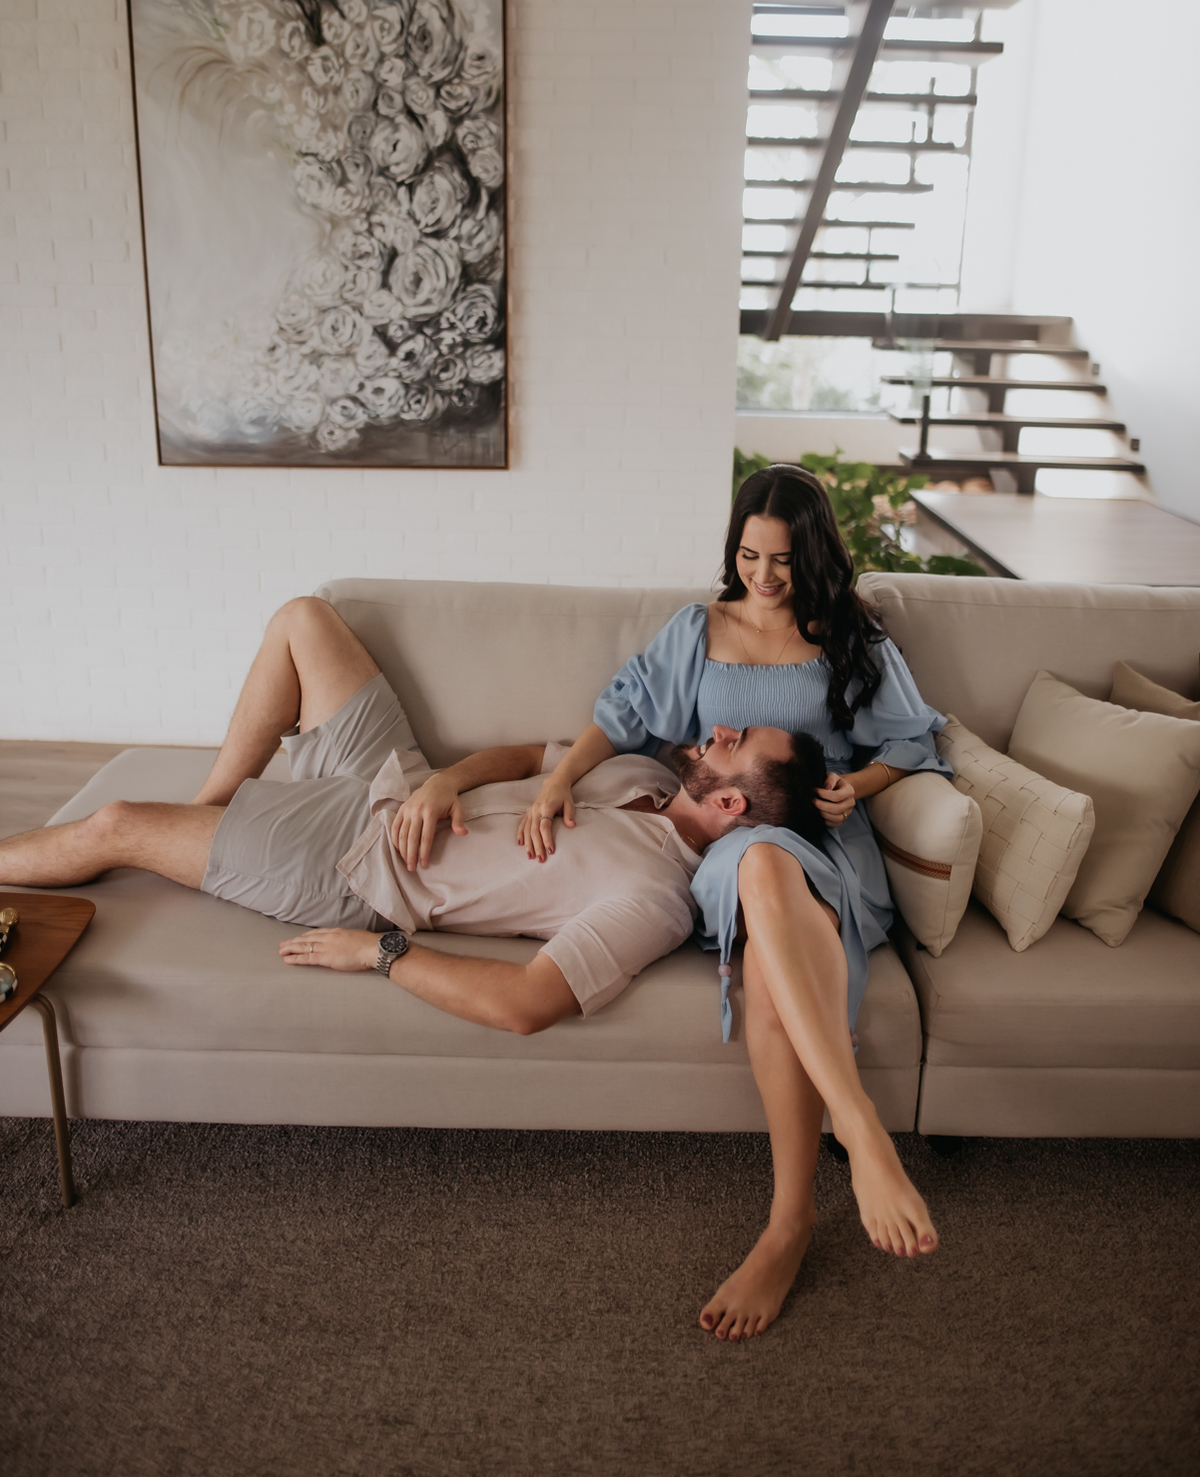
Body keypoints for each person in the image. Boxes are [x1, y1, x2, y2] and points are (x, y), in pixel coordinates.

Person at [517, 463, 947, 1339]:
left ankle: (790, 1223)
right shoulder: (698, 630)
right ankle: (859, 1128)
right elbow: (624, 713)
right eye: (749, 555)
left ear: (812, 554)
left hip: (827, 846)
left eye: (782, 559)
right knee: (754, 861)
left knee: (770, 962)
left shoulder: (850, 637)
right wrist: (557, 779)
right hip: (732, 846)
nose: (763, 574)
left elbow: (915, 742)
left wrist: (855, 787)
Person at [0, 596, 826, 1038]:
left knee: (115, 824)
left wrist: (382, 951)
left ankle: (193, 833)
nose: (721, 726)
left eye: (737, 741)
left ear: (729, 803)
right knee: (302, 619)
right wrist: (444, 783)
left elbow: (526, 1004)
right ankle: (211, 810)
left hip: (358, 861)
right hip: (401, 780)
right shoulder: (642, 770)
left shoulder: (656, 898)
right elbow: (523, 756)